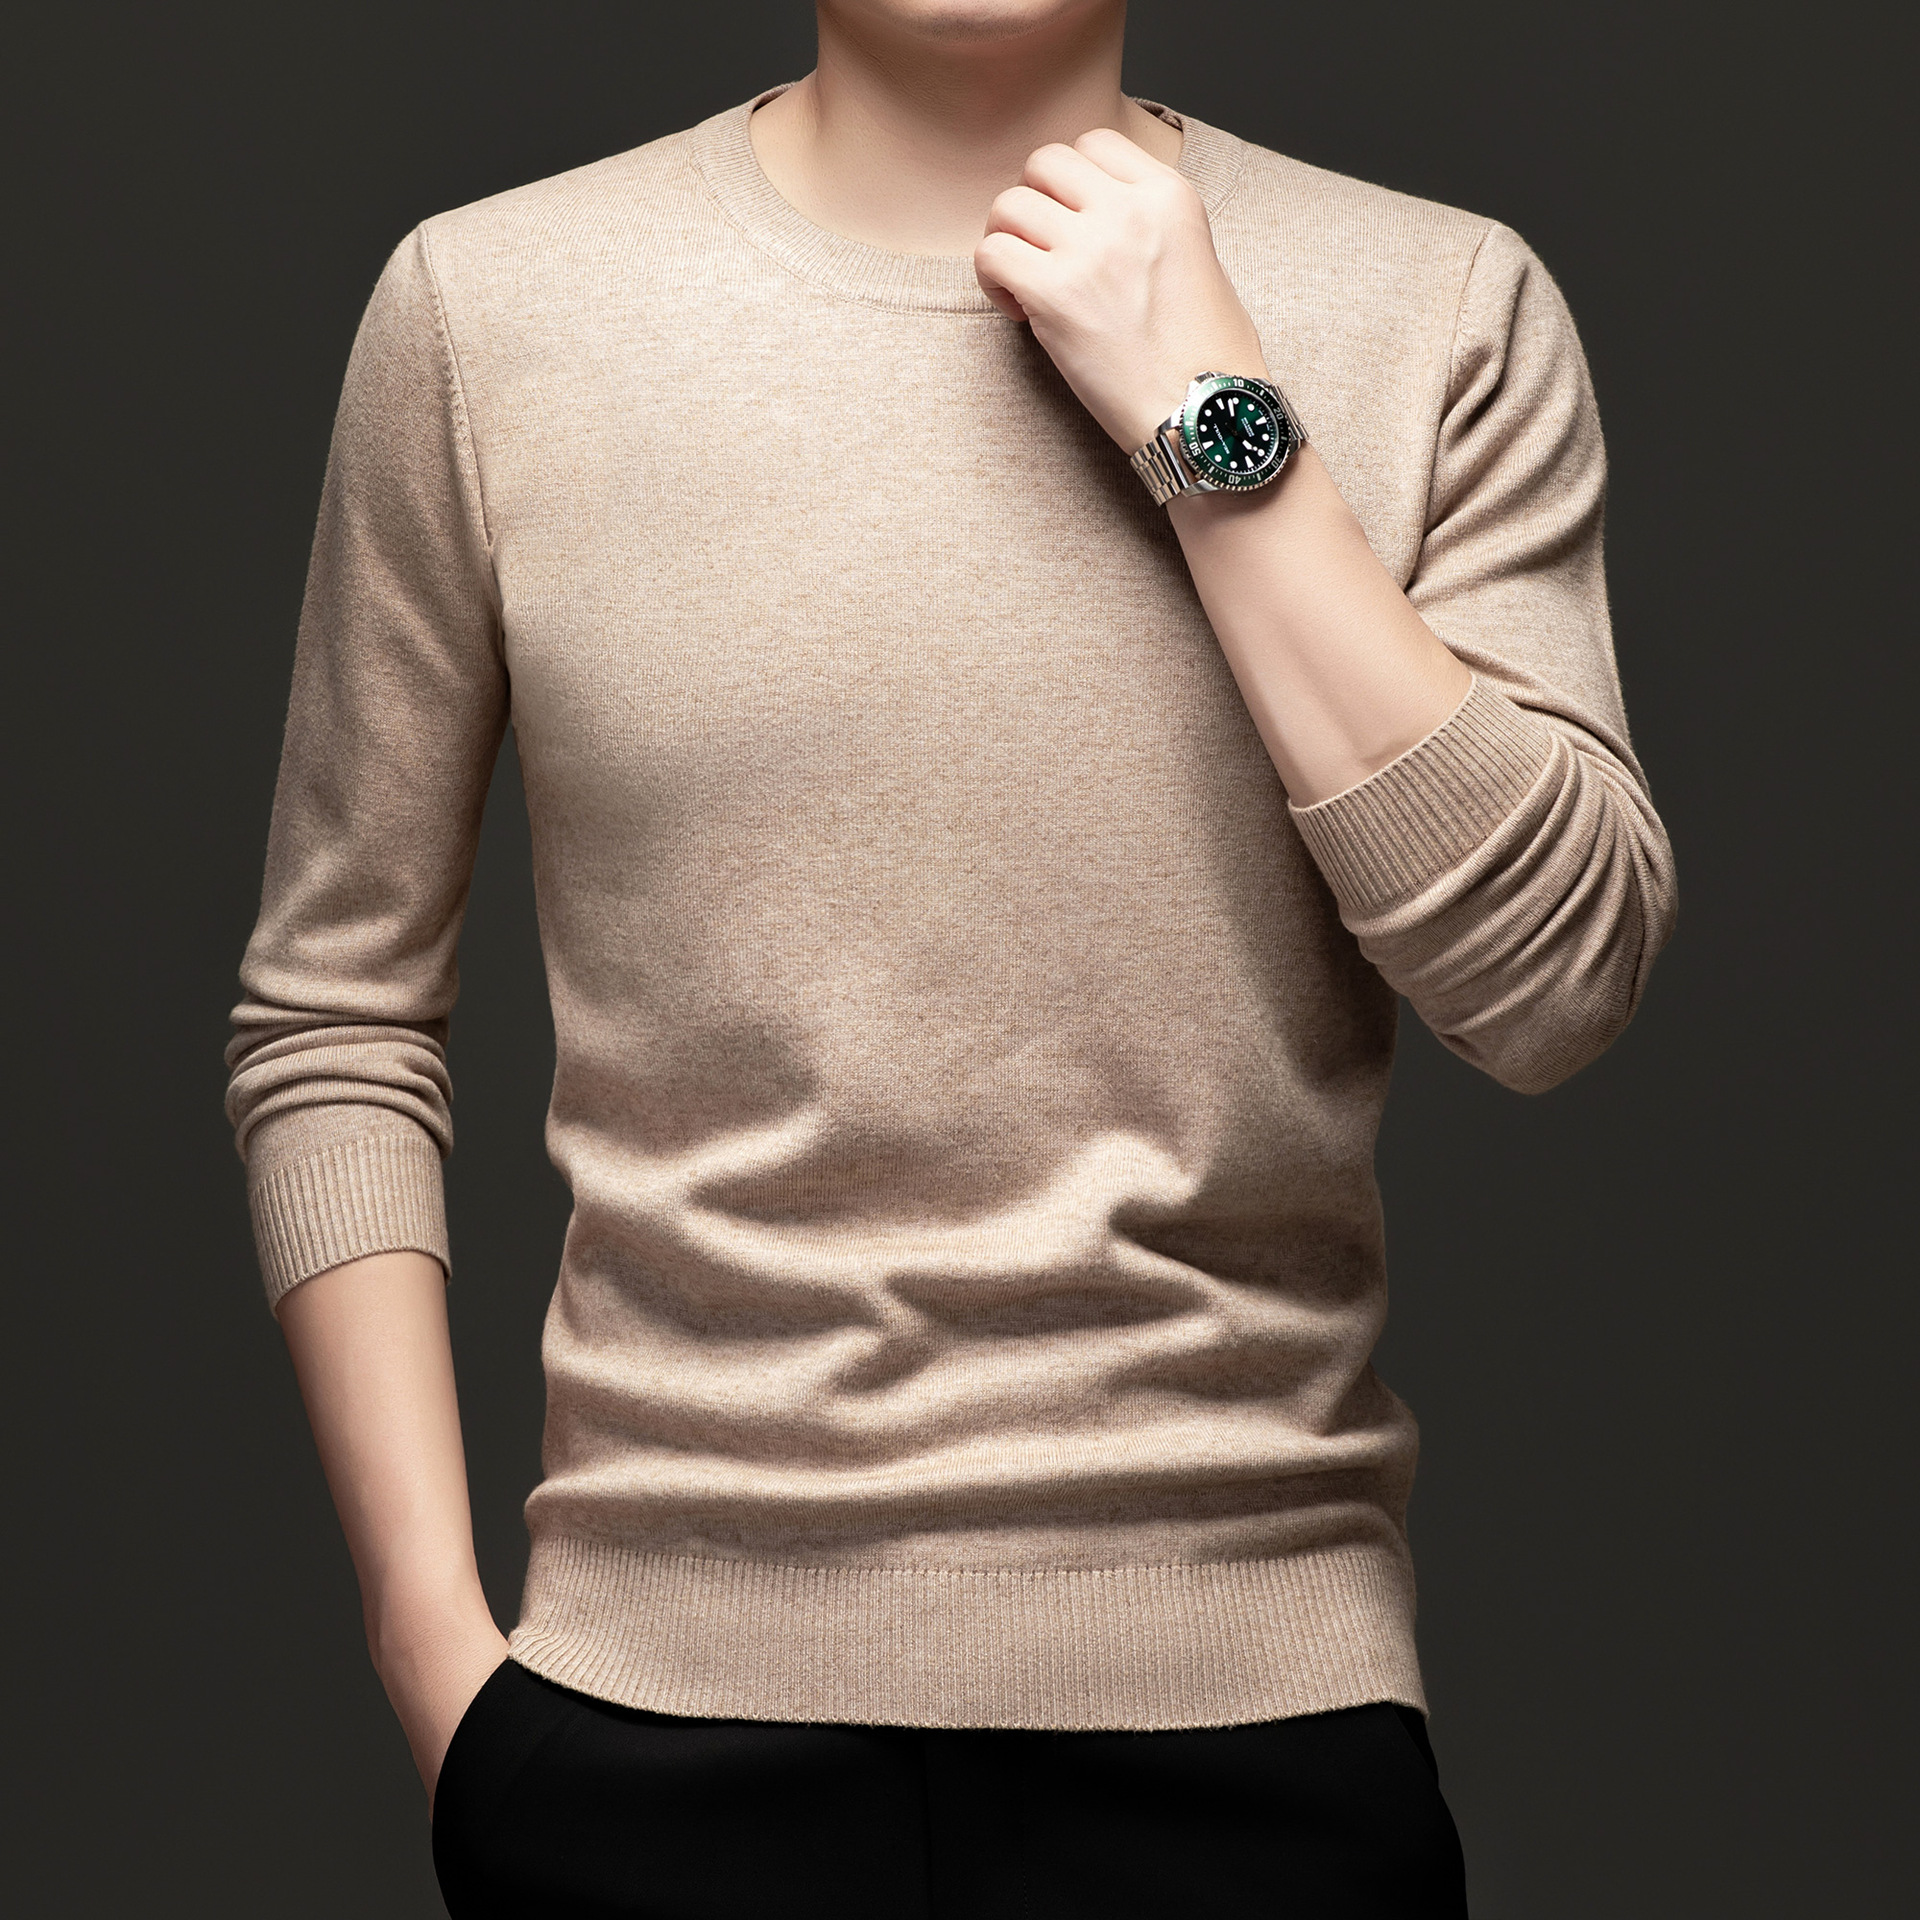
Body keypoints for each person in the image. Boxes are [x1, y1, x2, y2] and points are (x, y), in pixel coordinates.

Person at [224, 1, 1675, 1912]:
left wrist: (1213, 416)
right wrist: (441, 1665)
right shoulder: (491, 310)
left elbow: (1555, 980)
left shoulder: (1440, 305)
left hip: (1258, 1737)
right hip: (643, 1736)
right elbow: (335, 1016)